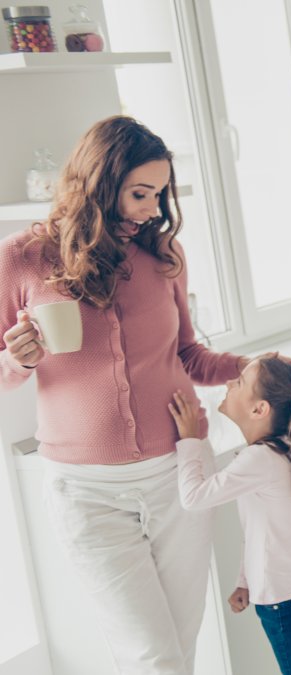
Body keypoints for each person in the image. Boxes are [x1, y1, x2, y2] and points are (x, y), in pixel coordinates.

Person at [0, 115, 245, 673]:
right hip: (86, 492)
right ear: (99, 181)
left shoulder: (163, 256)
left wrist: (246, 366)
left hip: (178, 476)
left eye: (159, 194)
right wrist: (18, 357)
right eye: (140, 192)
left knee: (178, 648)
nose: (152, 208)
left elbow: (188, 354)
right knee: (152, 655)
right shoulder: (23, 257)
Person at [170, 354, 291, 675]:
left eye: (240, 382)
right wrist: (246, 581)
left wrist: (188, 439)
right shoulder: (284, 448)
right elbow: (262, 531)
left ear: (259, 410)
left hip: (284, 602)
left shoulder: (261, 458)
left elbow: (193, 497)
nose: (229, 383)